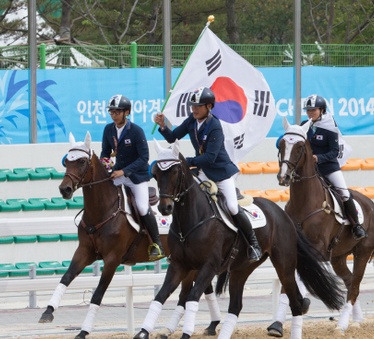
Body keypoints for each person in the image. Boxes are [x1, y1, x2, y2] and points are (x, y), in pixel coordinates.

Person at [153, 87, 262, 263]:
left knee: (233, 207)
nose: (194, 109)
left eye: (199, 106)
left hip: (221, 173)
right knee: (186, 199)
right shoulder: (192, 120)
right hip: (203, 172)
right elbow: (173, 137)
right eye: (193, 105)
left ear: (209, 106)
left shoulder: (215, 126)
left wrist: (185, 162)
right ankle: (180, 245)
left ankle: (253, 244)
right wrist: (163, 126)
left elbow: (210, 158)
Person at [100, 94, 166, 261]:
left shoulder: (136, 131)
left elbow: (144, 158)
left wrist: (124, 172)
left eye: (117, 112)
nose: (114, 115)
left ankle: (157, 244)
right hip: (117, 174)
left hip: (137, 177)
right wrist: (105, 164)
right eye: (111, 112)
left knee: (143, 207)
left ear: (126, 112)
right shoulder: (108, 129)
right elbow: (105, 154)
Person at [302, 94, 367, 240]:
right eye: (308, 110)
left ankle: (357, 226)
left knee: (344, 193)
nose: (310, 113)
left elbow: (334, 152)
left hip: (329, 167)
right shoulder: (303, 125)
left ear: (322, 110)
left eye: (313, 110)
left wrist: (318, 158)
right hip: (311, 170)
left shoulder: (330, 128)